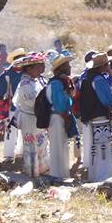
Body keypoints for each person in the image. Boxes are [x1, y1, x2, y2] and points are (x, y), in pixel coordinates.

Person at [79, 52, 112, 182]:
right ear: (103, 66)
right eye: (107, 64)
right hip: (100, 116)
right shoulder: (99, 80)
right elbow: (108, 98)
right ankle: (103, 176)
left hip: (91, 116)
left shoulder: (87, 78)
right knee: (103, 148)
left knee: (94, 147)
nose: (109, 66)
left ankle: (94, 175)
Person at [14, 53, 49, 179]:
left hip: (36, 117)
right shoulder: (25, 84)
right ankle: (33, 172)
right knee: (31, 145)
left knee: (41, 143)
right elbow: (34, 101)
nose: (40, 68)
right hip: (30, 118)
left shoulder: (35, 81)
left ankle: (42, 169)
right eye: (37, 66)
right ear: (29, 68)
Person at [47, 53, 76, 181]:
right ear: (61, 67)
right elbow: (59, 105)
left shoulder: (61, 82)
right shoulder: (57, 84)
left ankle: (62, 176)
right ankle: (57, 176)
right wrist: (66, 118)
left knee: (62, 147)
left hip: (60, 117)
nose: (70, 67)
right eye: (67, 64)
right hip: (58, 118)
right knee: (58, 147)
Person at [0, 48, 26, 162]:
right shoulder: (6, 75)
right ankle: (8, 155)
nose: (21, 61)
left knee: (24, 131)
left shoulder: (27, 73)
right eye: (19, 59)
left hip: (26, 107)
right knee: (10, 131)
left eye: (23, 59)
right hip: (11, 107)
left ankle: (21, 153)